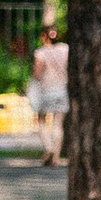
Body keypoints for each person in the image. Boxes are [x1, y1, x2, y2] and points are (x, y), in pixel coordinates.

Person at [29, 20, 69, 166]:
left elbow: (37, 74)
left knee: (41, 120)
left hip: (47, 90)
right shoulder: (65, 49)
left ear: (43, 36)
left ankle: (49, 147)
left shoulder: (40, 53)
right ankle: (56, 158)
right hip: (62, 90)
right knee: (58, 124)